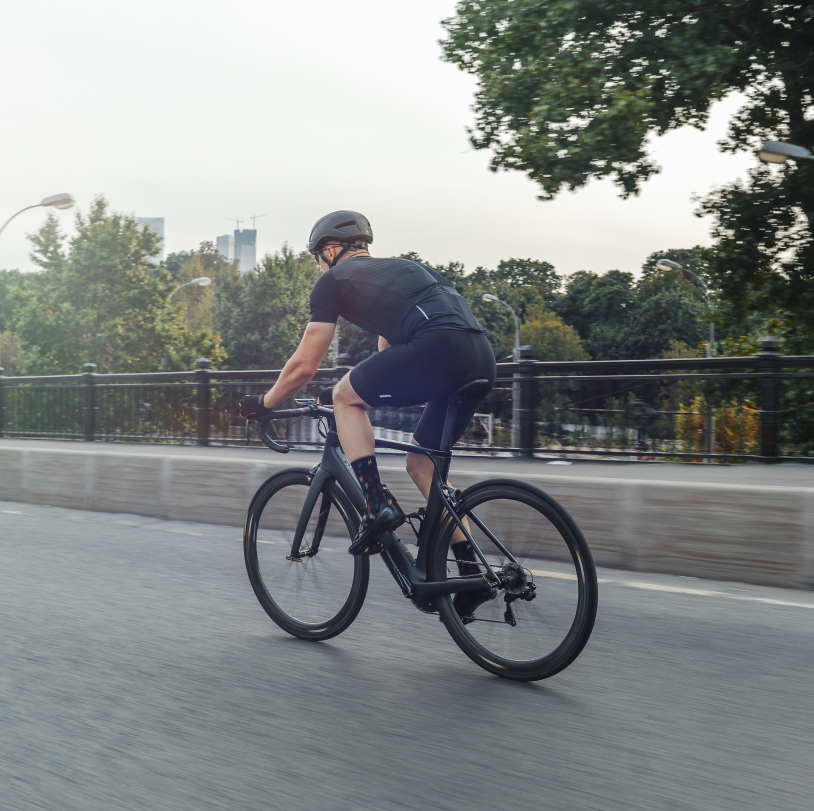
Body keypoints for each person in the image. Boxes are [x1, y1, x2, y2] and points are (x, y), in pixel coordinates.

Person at [239, 211, 497, 618]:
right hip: (481, 358)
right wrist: (365, 391)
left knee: (345, 397)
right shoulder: (402, 271)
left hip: (438, 350)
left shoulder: (333, 280)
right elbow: (387, 353)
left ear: (328, 250)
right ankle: (471, 572)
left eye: (316, 258)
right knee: (420, 463)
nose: (317, 267)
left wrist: (265, 403)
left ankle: (377, 505)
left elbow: (304, 364)